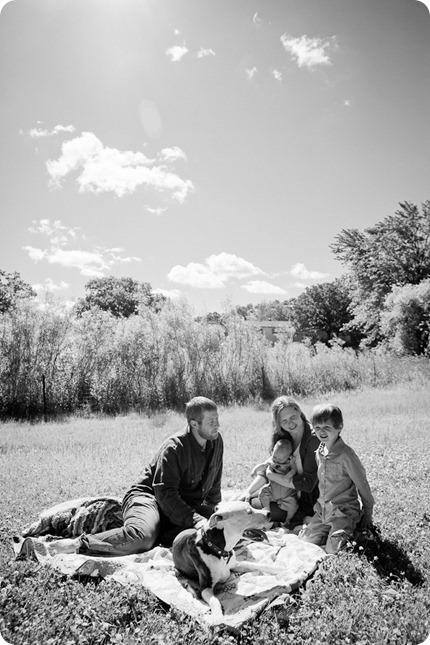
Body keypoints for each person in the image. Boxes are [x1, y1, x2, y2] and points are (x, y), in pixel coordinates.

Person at [48, 396, 223, 556]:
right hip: (149, 498)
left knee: (224, 527)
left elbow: (214, 482)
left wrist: (214, 511)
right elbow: (166, 494)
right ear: (194, 424)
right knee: (141, 538)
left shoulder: (216, 441)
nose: (217, 425)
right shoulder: (175, 448)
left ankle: (162, 531)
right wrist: (196, 519)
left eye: (217, 419)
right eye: (211, 421)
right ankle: (78, 545)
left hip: (179, 506)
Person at [299, 403, 374, 554]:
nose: (322, 431)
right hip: (324, 511)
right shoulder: (319, 452)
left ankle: (358, 534)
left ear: (339, 427)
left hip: (343, 511)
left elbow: (362, 484)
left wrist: (367, 513)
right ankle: (328, 533)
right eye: (317, 427)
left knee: (333, 550)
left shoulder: (346, 455)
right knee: (304, 543)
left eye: (327, 427)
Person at [244, 438, 299, 524]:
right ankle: (267, 511)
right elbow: (263, 465)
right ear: (273, 451)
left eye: (280, 459)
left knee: (293, 506)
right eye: (275, 456)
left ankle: (288, 520)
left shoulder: (290, 462)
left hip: (287, 495)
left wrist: (288, 476)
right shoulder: (271, 461)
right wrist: (255, 470)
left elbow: (294, 470)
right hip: (272, 491)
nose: (276, 460)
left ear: (288, 456)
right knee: (263, 494)